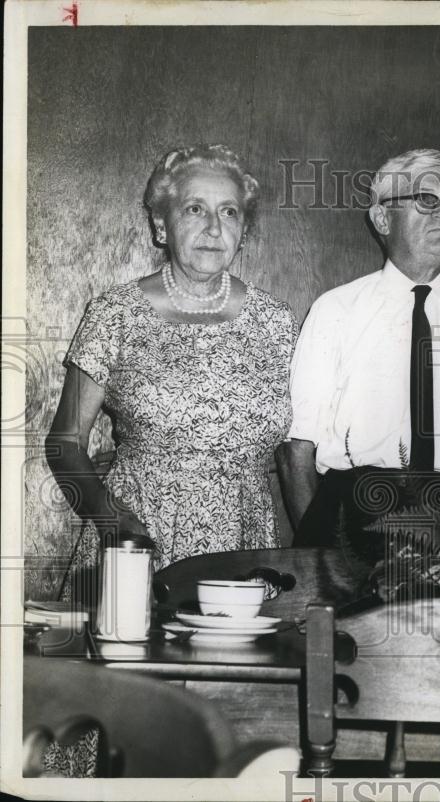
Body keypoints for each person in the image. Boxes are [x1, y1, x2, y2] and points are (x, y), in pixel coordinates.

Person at [277, 148, 440, 593]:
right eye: (428, 201)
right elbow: (298, 451)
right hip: (352, 514)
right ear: (381, 217)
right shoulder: (336, 310)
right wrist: (318, 553)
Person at [46, 144, 298, 569]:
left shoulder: (276, 320)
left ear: (244, 230)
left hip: (245, 544)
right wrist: (116, 524)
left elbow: (295, 451)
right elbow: (64, 444)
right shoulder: (116, 313)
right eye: (195, 209)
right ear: (162, 225)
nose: (215, 228)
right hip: (138, 541)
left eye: (230, 212)